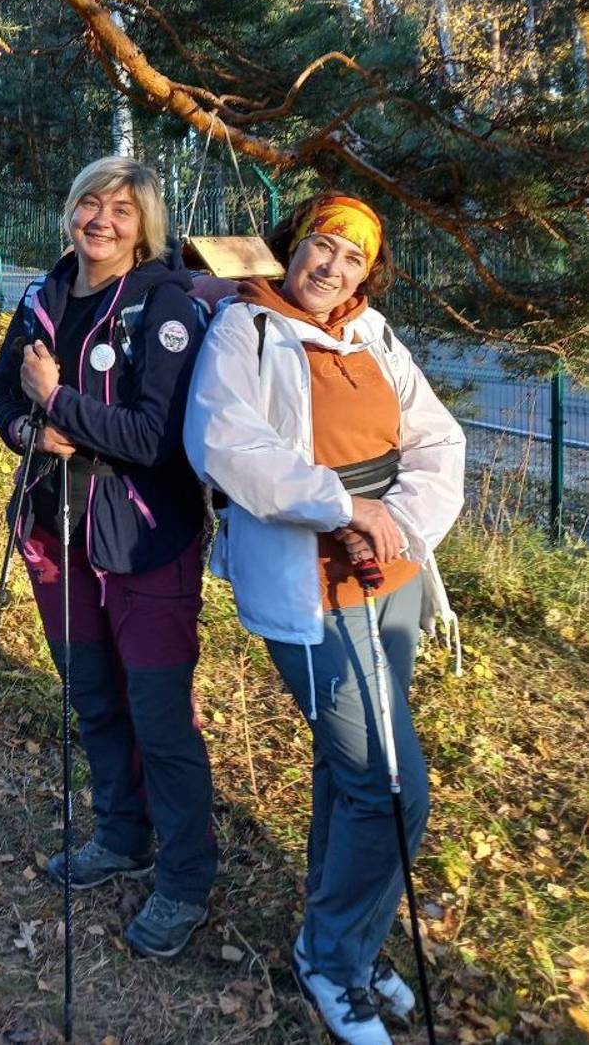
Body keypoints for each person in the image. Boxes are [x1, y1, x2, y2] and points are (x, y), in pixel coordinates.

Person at [184, 193, 465, 1043]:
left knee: (351, 779)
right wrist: (342, 504)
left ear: (365, 272)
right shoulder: (247, 327)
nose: (331, 266)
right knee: (389, 787)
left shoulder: (372, 333)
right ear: (291, 246)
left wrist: (398, 520)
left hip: (396, 577)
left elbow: (438, 441)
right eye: (320, 245)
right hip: (309, 590)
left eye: (351, 256)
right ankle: (331, 957)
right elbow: (227, 443)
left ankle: (355, 935)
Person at [0, 156, 217, 959]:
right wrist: (28, 428)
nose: (103, 219)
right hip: (57, 530)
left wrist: (57, 402)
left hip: (144, 537)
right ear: (71, 210)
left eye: (123, 208)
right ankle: (122, 834)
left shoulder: (165, 303)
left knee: (159, 716)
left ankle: (185, 878)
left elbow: (155, 437)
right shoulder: (43, 294)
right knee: (92, 694)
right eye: (91, 200)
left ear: (143, 225)